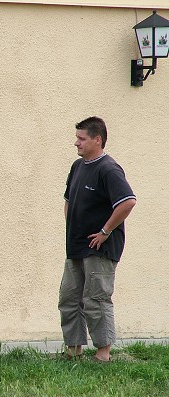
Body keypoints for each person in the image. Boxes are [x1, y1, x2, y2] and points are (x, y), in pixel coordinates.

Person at [59, 116, 136, 362]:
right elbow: (69, 200)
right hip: (76, 245)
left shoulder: (109, 169)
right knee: (69, 298)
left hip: (99, 248)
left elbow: (127, 202)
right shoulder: (77, 167)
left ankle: (103, 353)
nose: (76, 143)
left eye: (81, 139)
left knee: (95, 299)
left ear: (97, 139)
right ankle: (74, 349)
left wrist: (105, 231)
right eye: (77, 138)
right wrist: (71, 225)